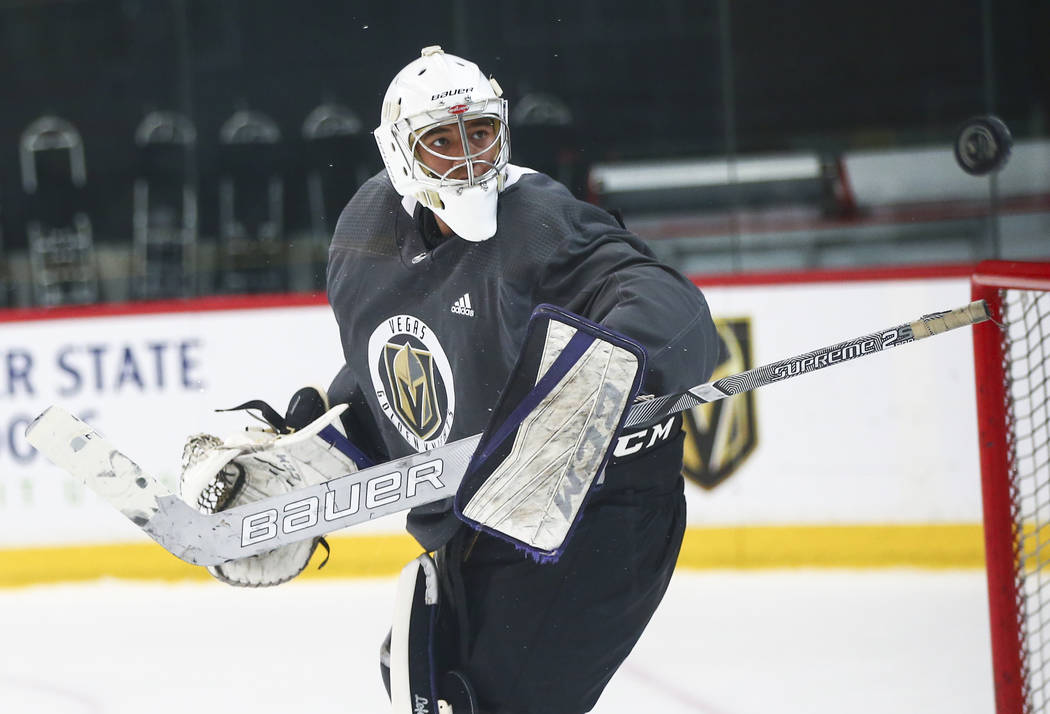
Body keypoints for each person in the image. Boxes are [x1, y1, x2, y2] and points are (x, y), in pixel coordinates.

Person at [318, 46, 722, 713]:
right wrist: (312, 428)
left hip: (600, 512)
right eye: (441, 141)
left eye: (480, 132)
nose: (470, 157)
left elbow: (668, 306)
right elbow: (403, 365)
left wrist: (602, 371)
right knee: (425, 679)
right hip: (475, 516)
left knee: (498, 703)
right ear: (399, 155)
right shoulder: (367, 234)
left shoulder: (541, 220)